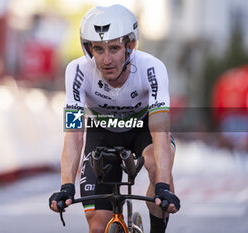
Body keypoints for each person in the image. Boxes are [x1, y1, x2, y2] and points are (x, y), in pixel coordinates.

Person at [49, 4, 180, 233]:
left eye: (114, 48)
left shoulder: (152, 68)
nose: (106, 59)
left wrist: (163, 185)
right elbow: (74, 132)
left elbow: (160, 128)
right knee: (98, 227)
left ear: (130, 47)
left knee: (155, 167)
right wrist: (66, 185)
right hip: (101, 132)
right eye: (98, 49)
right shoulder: (77, 71)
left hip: (143, 128)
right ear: (89, 49)